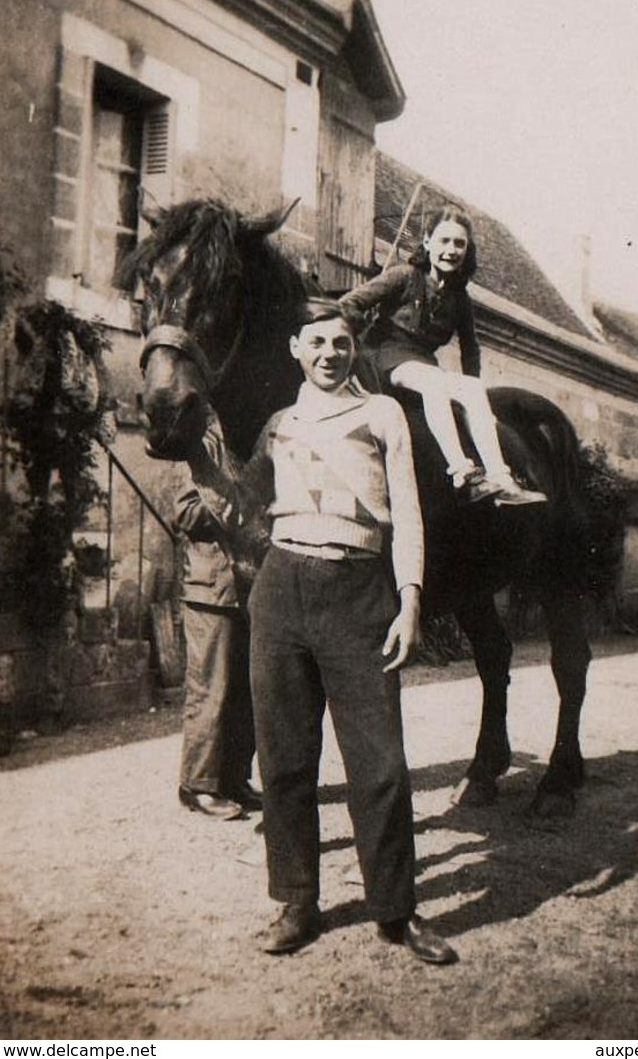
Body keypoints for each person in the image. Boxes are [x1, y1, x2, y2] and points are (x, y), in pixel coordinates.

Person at [227, 299, 457, 964]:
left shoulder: (381, 414)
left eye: (341, 343)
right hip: (282, 589)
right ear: (297, 349)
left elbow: (408, 514)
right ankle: (296, 902)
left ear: (355, 350)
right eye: (317, 343)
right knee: (286, 759)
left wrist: (410, 601)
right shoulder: (277, 424)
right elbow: (246, 506)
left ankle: (396, 911)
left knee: (379, 763)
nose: (330, 353)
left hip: (361, 593)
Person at [340, 204, 547, 507]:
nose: (451, 250)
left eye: (459, 243)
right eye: (444, 241)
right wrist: (357, 346)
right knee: (435, 383)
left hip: (423, 364)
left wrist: (472, 398)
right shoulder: (403, 276)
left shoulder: (460, 299)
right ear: (427, 242)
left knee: (472, 388)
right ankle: (462, 472)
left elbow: (470, 349)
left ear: (467, 249)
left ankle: (501, 479)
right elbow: (349, 303)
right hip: (384, 356)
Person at [174, 481, 262, 821]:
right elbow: (184, 512)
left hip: (244, 587)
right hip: (210, 590)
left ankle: (233, 779)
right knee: (210, 688)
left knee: (245, 691)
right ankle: (198, 785)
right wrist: (235, 507)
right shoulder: (202, 443)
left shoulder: (243, 445)